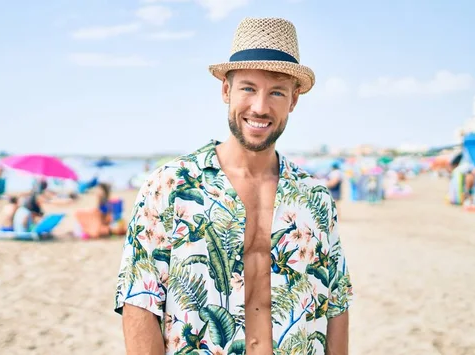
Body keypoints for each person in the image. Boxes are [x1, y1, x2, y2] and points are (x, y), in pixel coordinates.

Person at [114, 17, 353, 355]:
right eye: (248, 88)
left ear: (294, 100)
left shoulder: (315, 198)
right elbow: (140, 299)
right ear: (226, 90)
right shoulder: (169, 185)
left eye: (276, 92)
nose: (259, 107)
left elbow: (336, 302)